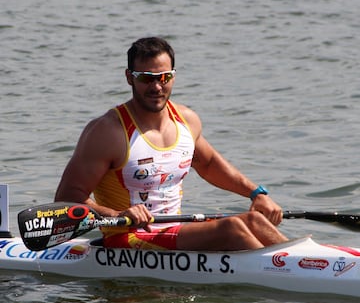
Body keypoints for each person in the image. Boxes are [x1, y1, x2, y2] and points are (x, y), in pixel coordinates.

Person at [55, 36, 288, 251]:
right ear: (129, 78)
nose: (157, 87)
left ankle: (308, 260)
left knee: (253, 220)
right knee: (232, 228)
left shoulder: (187, 120)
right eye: (146, 78)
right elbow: (67, 199)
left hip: (174, 228)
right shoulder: (107, 132)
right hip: (128, 236)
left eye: (164, 77)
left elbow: (208, 165)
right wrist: (116, 213)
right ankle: (287, 270)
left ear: (173, 76)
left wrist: (256, 193)